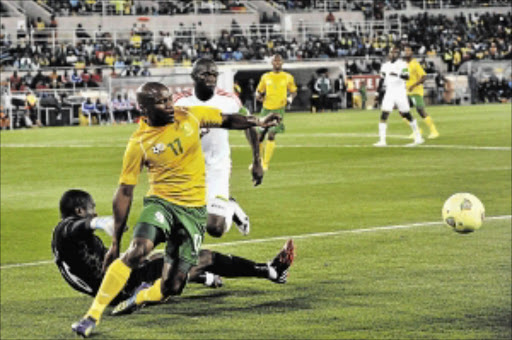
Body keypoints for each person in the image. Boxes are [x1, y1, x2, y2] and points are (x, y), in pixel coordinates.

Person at [71, 82, 282, 337]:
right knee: (137, 252)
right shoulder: (139, 143)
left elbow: (226, 119)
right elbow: (125, 192)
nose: (170, 105)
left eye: (170, 99)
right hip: (161, 203)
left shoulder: (188, 115)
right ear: (144, 109)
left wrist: (257, 121)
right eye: (162, 102)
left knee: (172, 286)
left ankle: (141, 298)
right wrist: (115, 242)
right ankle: (91, 316)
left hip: (193, 212)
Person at [54, 189, 294, 307]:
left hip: (110, 290)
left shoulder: (64, 243)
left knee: (163, 257)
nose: (94, 211)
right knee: (203, 256)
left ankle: (205, 278)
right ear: (78, 211)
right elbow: (79, 226)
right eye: (91, 207)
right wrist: (102, 222)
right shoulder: (67, 231)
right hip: (123, 288)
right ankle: (271, 271)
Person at [173, 58, 261, 238]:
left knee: (215, 228)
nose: (210, 78)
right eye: (205, 74)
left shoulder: (229, 99)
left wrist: (257, 161)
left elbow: (249, 125)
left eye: (214, 74)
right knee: (180, 229)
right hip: (187, 170)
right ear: (194, 76)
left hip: (217, 168)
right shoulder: (179, 101)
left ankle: (231, 207)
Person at [374, 46, 423, 147]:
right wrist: (377, 93)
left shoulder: (402, 64)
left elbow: (406, 76)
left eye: (395, 52)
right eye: (391, 52)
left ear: (398, 54)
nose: (392, 54)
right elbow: (381, 79)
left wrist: (396, 74)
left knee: (406, 114)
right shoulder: (385, 65)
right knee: (384, 114)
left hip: (400, 92)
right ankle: (382, 140)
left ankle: (418, 136)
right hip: (389, 92)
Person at [255, 54, 297, 171]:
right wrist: (258, 96)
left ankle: (266, 164)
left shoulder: (288, 77)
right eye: (275, 61)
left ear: (282, 63)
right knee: (259, 136)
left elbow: (294, 91)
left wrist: (290, 99)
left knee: (272, 134)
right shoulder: (265, 77)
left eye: (279, 61)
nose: (277, 63)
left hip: (279, 109)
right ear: (272, 63)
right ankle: (258, 161)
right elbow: (259, 91)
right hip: (266, 109)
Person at [404, 46, 439, 140]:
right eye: (405, 50)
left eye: (408, 50)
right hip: (406, 91)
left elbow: (424, 77)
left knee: (420, 110)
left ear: (411, 52)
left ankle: (434, 131)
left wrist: (413, 85)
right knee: (402, 111)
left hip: (416, 91)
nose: (406, 52)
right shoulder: (404, 64)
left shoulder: (415, 64)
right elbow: (405, 77)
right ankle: (417, 130)